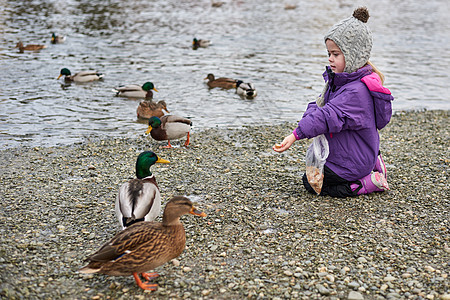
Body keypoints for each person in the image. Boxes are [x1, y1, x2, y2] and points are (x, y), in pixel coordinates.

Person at [273, 7, 394, 198]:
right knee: (313, 174)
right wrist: (307, 120)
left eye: (336, 54)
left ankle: (365, 183)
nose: (330, 58)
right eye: (329, 53)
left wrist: (296, 134)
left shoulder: (356, 91)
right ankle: (373, 163)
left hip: (354, 160)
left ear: (353, 56)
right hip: (356, 150)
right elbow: (320, 106)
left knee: (312, 183)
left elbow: (327, 116)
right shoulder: (342, 81)